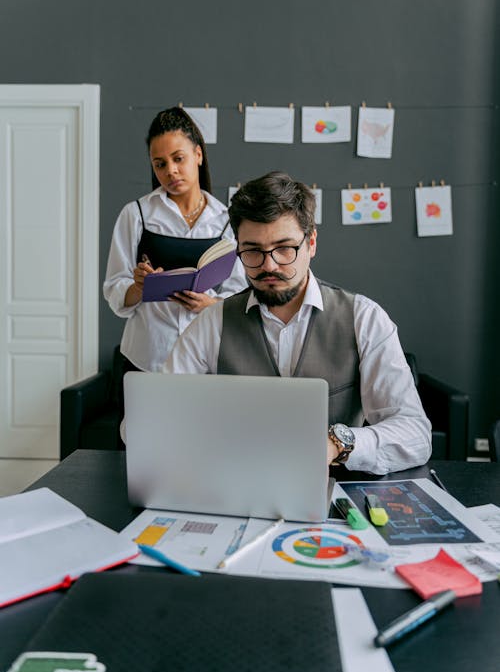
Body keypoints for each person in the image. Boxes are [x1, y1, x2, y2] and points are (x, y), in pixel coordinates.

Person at [163, 170, 432, 475]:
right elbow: (156, 418)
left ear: (311, 243)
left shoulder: (365, 318)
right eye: (252, 251)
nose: (269, 265)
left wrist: (337, 443)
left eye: (284, 248)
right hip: (234, 486)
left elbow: (415, 434)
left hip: (335, 493)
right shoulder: (212, 324)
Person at [103, 107, 247, 372]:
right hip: (146, 357)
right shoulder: (136, 214)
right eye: (160, 164)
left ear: (198, 155)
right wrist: (139, 287)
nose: (171, 171)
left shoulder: (226, 219)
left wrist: (210, 304)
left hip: (205, 355)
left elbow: (238, 294)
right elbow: (114, 287)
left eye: (178, 158)